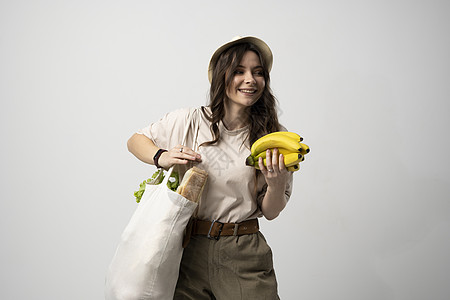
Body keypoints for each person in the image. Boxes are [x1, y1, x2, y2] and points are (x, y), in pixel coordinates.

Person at [127, 36, 293, 300]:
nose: (250, 79)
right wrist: (162, 156)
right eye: (239, 71)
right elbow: (136, 140)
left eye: (258, 72)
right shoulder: (190, 120)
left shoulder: (274, 137)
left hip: (244, 250)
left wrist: (276, 183)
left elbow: (271, 212)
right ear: (221, 76)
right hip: (188, 248)